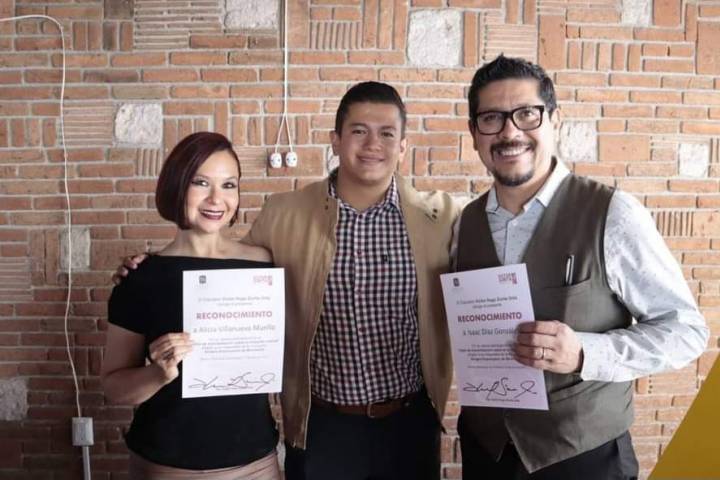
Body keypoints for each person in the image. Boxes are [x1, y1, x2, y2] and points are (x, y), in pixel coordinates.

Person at [116, 82, 460, 480]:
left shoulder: (443, 217)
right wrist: (145, 267)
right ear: (335, 140)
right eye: (359, 131)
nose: (372, 144)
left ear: (402, 146)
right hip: (321, 427)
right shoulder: (283, 214)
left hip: (410, 423)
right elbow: (223, 267)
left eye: (387, 133)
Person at [453, 54, 709, 480]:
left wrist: (585, 353)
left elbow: (686, 331)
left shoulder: (613, 213)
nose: (510, 132)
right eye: (491, 118)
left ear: (555, 121)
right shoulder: (465, 222)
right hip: (488, 455)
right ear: (474, 133)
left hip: (584, 456)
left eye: (527, 114)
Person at [101, 132, 281, 480]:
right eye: (201, 183)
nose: (216, 198)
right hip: (166, 466)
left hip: (255, 462)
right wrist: (157, 373)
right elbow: (114, 387)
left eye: (229, 185)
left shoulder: (265, 265)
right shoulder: (143, 277)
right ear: (177, 187)